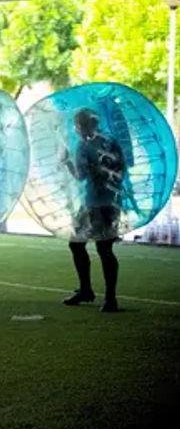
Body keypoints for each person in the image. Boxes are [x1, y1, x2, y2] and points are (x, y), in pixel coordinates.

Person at [60, 109, 125, 312]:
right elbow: (122, 168)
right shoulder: (111, 141)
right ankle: (101, 295)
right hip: (112, 201)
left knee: (82, 245)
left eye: (78, 125)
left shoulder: (84, 145)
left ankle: (100, 295)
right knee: (98, 247)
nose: (77, 129)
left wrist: (67, 161)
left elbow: (80, 176)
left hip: (95, 202)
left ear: (83, 126)